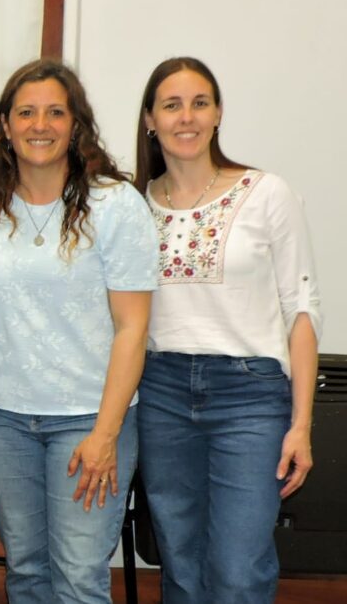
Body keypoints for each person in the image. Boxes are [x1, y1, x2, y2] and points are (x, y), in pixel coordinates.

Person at [0, 59, 158, 603]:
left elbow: (132, 328)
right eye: (25, 113)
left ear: (76, 124)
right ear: (6, 125)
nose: (40, 125)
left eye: (55, 112)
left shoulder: (115, 206)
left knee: (78, 578)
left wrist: (105, 433)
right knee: (26, 571)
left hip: (87, 419)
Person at [134, 57, 320, 604]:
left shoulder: (267, 193)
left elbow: (302, 312)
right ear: (150, 119)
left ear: (217, 114)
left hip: (252, 396)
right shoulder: (133, 206)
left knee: (238, 571)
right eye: (171, 105)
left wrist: (302, 423)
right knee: (181, 565)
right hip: (162, 392)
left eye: (199, 103)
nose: (186, 117)